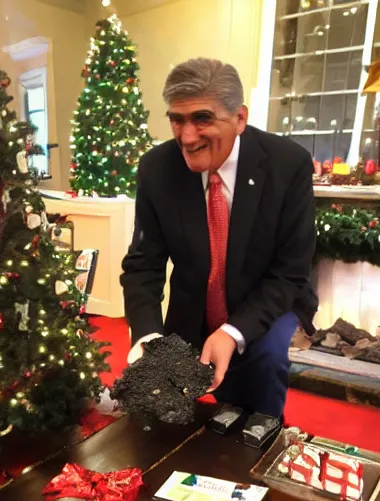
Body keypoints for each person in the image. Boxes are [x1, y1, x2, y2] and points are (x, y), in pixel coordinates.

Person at [120, 58, 318, 419]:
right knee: (168, 416)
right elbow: (142, 264)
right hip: (193, 302)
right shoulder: (157, 168)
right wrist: (147, 336)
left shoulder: (287, 164)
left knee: (263, 368)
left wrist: (232, 331)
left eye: (202, 118)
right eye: (177, 120)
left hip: (268, 300)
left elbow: (290, 272)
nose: (187, 136)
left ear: (240, 118)